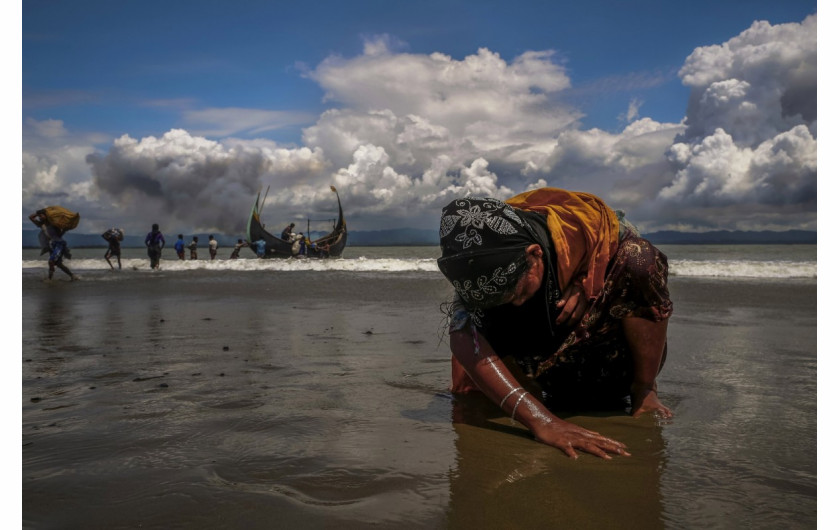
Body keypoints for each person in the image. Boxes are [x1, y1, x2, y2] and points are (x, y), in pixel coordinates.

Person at [437, 188, 672, 460]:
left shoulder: (594, 229)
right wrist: (542, 421)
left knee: (639, 257)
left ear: (534, 254)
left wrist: (589, 280)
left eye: (516, 292)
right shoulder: (479, 263)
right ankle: (530, 396)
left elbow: (632, 262)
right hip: (545, 377)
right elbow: (464, 335)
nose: (513, 304)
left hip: (610, 361)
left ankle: (645, 390)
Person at [29, 209, 77, 281]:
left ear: (46, 215)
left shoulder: (54, 224)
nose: (40, 217)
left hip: (59, 244)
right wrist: (37, 213)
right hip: (51, 245)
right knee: (58, 264)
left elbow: (59, 235)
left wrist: (64, 230)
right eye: (39, 216)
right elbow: (31, 217)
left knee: (51, 261)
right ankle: (73, 276)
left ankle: (49, 279)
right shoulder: (41, 224)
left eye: (41, 216)